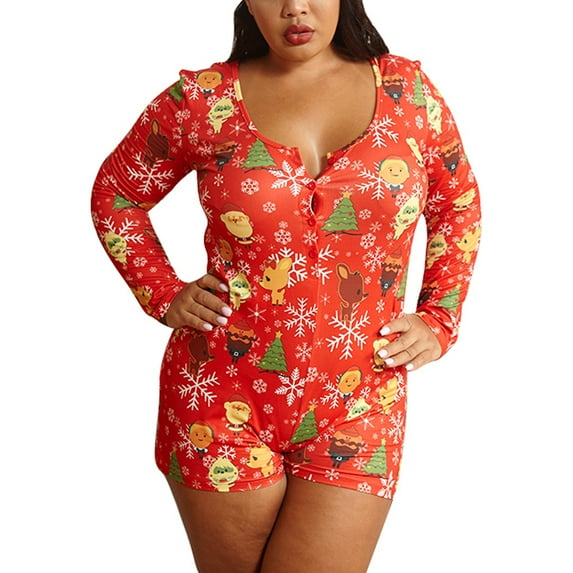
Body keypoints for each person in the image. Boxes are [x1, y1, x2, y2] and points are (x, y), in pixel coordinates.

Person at [91, 1, 481, 571]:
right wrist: (162, 291)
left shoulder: (409, 94)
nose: (295, 7)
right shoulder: (200, 102)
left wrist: (440, 316)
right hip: (218, 394)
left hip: (362, 400)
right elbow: (117, 195)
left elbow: (457, 203)